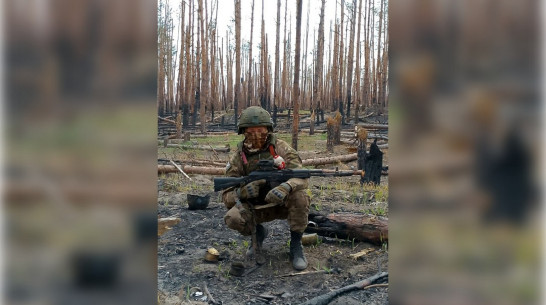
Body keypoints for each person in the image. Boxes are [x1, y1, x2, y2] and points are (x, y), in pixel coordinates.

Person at [221, 106, 310, 270]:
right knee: (232, 217)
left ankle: (296, 245)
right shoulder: (238, 157)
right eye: (251, 130)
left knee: (300, 197)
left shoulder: (281, 148)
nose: (256, 134)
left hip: (281, 204)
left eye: (260, 129)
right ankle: (258, 233)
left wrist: (286, 187)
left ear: (268, 129)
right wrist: (242, 193)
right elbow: (226, 196)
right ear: (243, 131)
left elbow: (302, 176)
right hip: (255, 208)